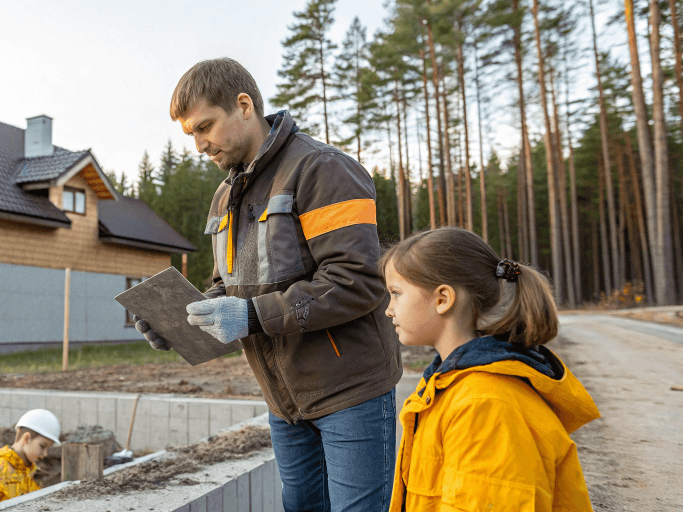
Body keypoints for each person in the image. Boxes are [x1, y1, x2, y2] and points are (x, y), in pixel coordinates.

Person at [136, 57, 402, 512]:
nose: (199, 145)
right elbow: (228, 287)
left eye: (205, 127)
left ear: (244, 105)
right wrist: (184, 320)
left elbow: (356, 281)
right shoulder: (226, 196)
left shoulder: (322, 169)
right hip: (283, 400)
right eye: (190, 135)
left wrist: (251, 315)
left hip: (350, 392)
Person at [379, 227, 599, 511]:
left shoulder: (485, 405)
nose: (389, 309)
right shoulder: (447, 386)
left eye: (397, 294)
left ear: (443, 299)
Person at [0, 409, 60, 511]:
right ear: (26, 438)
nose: (45, 454)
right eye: (42, 446)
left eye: (48, 449)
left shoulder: (30, 473)